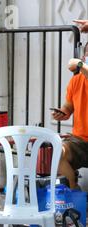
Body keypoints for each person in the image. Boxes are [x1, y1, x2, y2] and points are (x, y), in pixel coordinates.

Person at [52, 42, 88, 190]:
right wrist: (62, 113)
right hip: (79, 140)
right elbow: (69, 106)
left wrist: (79, 63)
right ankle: (74, 190)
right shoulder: (76, 80)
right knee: (57, 152)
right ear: (85, 55)